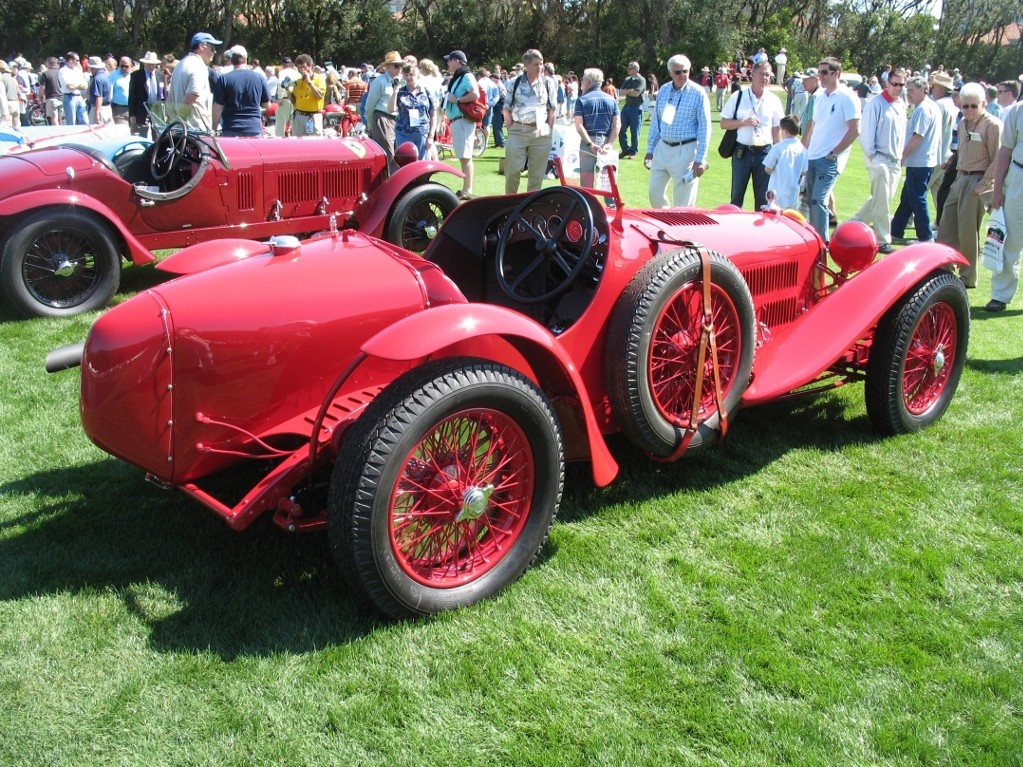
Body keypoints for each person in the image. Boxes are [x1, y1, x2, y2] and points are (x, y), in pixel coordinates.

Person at [935, 82, 1001, 289]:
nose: (969, 110)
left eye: (974, 105)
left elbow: (999, 157)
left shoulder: (992, 125)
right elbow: (962, 148)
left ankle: (968, 275)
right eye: (965, 106)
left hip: (978, 179)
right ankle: (943, 267)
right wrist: (952, 161)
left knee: (967, 230)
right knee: (946, 224)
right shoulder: (963, 122)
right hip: (960, 176)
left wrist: (985, 183)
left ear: (983, 104)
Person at [801, 57, 860, 242]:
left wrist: (834, 153)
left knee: (819, 200)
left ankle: (822, 243)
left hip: (829, 159)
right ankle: (815, 240)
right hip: (813, 156)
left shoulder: (847, 97)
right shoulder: (819, 97)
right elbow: (814, 127)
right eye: (820, 72)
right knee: (811, 201)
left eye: (825, 72)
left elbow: (855, 129)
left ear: (837, 74)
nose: (821, 76)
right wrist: (805, 152)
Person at [851, 67, 908, 253]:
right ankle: (883, 239)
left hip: (894, 160)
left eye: (901, 84)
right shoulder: (875, 103)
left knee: (879, 199)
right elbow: (866, 133)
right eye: (895, 84)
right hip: (879, 158)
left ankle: (853, 225)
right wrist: (874, 157)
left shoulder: (901, 104)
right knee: (882, 203)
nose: (898, 88)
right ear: (887, 83)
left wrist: (900, 158)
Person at [644, 54, 710, 208]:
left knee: (683, 203)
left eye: (685, 71)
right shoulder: (664, 91)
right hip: (663, 148)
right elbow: (656, 123)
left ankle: (679, 230)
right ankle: (664, 224)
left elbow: (705, 128)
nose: (682, 75)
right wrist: (650, 150)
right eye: (678, 72)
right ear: (670, 73)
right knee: (655, 193)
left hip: (686, 151)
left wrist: (700, 159)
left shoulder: (698, 93)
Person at [720, 60, 784, 210]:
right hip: (741, 152)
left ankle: (760, 232)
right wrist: (743, 122)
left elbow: (777, 130)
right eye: (761, 74)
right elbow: (724, 123)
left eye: (768, 75)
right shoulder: (738, 96)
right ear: (752, 74)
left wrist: (778, 155)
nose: (765, 78)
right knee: (736, 197)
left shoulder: (773, 100)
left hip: (765, 153)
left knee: (764, 199)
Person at [890, 75, 943, 245]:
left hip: (920, 161)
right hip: (922, 161)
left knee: (917, 198)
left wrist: (903, 157)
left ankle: (925, 236)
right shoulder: (929, 107)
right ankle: (895, 231)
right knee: (908, 198)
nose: (908, 93)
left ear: (923, 90)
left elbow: (917, 136)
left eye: (911, 90)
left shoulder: (923, 109)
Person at [502, 48, 556, 195]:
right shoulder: (515, 82)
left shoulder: (549, 83)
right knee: (512, 171)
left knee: (536, 176)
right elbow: (506, 108)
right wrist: (511, 127)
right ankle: (509, 205)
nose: (540, 67)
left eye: (541, 63)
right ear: (526, 64)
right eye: (536, 64)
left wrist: (549, 129)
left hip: (541, 133)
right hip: (518, 130)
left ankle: (530, 209)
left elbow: (552, 109)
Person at [986, 99, 1023, 311]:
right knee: (1009, 243)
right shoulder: (1018, 110)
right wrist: (997, 189)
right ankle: (1000, 295)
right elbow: (1005, 151)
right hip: (1018, 177)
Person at [574, 68, 620, 189]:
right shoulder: (612, 100)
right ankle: (611, 206)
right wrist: (609, 143)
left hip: (587, 141)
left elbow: (579, 125)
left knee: (586, 183)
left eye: (582, 80)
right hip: (606, 140)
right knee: (607, 181)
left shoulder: (581, 100)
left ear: (588, 82)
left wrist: (590, 144)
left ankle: (589, 206)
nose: (581, 82)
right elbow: (617, 124)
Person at [443, 50, 480, 199]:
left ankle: (467, 189)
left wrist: (457, 100)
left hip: (463, 120)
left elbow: (475, 94)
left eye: (450, 60)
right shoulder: (460, 76)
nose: (448, 63)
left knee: (465, 156)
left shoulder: (466, 76)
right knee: (463, 156)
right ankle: (465, 188)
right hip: (458, 120)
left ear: (457, 61)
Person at [212, 46, 270, 137]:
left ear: (231, 60)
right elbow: (267, 105)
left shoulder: (223, 79)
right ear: (246, 59)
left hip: (231, 128)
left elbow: (217, 108)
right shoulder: (260, 78)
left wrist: (214, 130)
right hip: (253, 128)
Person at [169, 31, 221, 129]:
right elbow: (190, 98)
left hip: (180, 130)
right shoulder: (199, 66)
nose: (215, 51)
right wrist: (179, 119)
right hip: (195, 130)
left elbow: (170, 99)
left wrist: (174, 124)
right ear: (201, 46)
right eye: (212, 48)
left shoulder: (180, 65)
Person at [926, 72, 959, 213]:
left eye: (934, 87)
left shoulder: (938, 105)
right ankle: (943, 220)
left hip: (934, 154)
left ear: (939, 89)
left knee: (919, 188)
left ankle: (906, 218)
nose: (932, 89)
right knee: (938, 190)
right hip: (945, 153)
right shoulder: (953, 105)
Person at [389, 62, 435, 160]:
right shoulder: (400, 92)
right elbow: (391, 109)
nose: (409, 77)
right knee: (405, 162)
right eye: (406, 75)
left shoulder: (426, 92)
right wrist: (395, 91)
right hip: (403, 133)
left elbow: (433, 114)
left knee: (422, 164)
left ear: (417, 75)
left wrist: (431, 136)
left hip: (422, 132)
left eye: (411, 75)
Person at [366, 51, 402, 169]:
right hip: (382, 119)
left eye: (401, 65)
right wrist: (371, 125)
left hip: (397, 120)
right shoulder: (379, 81)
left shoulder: (401, 82)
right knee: (388, 154)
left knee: (397, 154)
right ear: (388, 67)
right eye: (397, 65)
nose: (400, 68)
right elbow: (369, 106)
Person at [763, 114, 806, 209]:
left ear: (785, 131)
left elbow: (768, 169)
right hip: (792, 194)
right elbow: (804, 171)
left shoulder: (777, 148)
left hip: (775, 193)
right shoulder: (803, 150)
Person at [289, 53, 325, 138]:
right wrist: (287, 91)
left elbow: (320, 96)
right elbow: (294, 101)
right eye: (299, 68)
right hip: (299, 116)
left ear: (310, 66)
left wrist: (309, 82)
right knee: (298, 145)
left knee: (314, 145)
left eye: (304, 67)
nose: (301, 70)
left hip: (314, 116)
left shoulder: (320, 79)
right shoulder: (297, 82)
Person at [128, 51, 164, 138]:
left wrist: (164, 112)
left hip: (156, 110)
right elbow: (132, 96)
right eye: (149, 64)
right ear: (144, 63)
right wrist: (132, 114)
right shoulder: (136, 76)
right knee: (142, 134)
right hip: (142, 109)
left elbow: (163, 94)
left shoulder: (160, 75)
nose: (151, 66)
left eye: (153, 64)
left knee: (157, 135)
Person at [618, 62, 644, 159]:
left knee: (634, 131)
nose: (628, 70)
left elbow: (636, 94)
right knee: (620, 128)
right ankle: (625, 149)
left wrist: (627, 91)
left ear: (636, 69)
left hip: (636, 107)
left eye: (630, 68)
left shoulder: (641, 80)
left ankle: (633, 151)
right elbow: (621, 92)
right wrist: (630, 90)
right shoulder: (627, 79)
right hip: (627, 106)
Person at [59, 52, 88, 125]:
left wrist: (75, 85)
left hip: (79, 97)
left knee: (85, 121)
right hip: (69, 97)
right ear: (71, 60)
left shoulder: (77, 70)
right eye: (77, 60)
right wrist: (79, 86)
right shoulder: (63, 71)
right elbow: (69, 86)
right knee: (71, 122)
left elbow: (85, 85)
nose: (79, 62)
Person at [86, 56, 112, 125]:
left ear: (92, 67)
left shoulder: (97, 79)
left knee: (95, 133)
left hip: (99, 109)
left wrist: (96, 113)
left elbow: (99, 97)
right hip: (107, 109)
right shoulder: (106, 76)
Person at [39, 57, 63, 125]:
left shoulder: (45, 73)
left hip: (51, 99)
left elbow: (42, 88)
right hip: (62, 98)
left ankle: (57, 133)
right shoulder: (61, 72)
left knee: (54, 118)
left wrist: (40, 97)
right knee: (60, 119)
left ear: (48, 64)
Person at [109, 56, 132, 124]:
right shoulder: (113, 75)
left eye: (126, 66)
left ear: (131, 65)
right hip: (119, 110)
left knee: (134, 132)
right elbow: (110, 93)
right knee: (122, 132)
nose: (124, 68)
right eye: (122, 66)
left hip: (133, 110)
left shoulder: (134, 75)